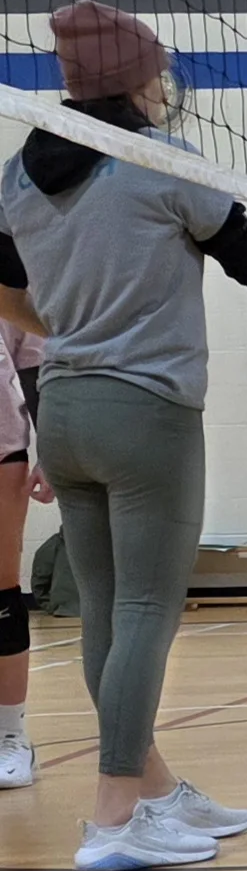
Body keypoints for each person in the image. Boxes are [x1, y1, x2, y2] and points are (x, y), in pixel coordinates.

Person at [0, 1, 247, 871]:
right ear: (137, 79)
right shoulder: (159, 159)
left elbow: (6, 294)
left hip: (63, 407)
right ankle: (115, 814)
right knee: (147, 609)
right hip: (145, 412)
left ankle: (150, 786)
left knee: (107, 608)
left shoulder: (15, 176)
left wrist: (70, 325)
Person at [0, 316, 47, 789]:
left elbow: (32, 363)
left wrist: (50, 445)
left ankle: (10, 736)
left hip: (2, 448)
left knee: (1, 593)